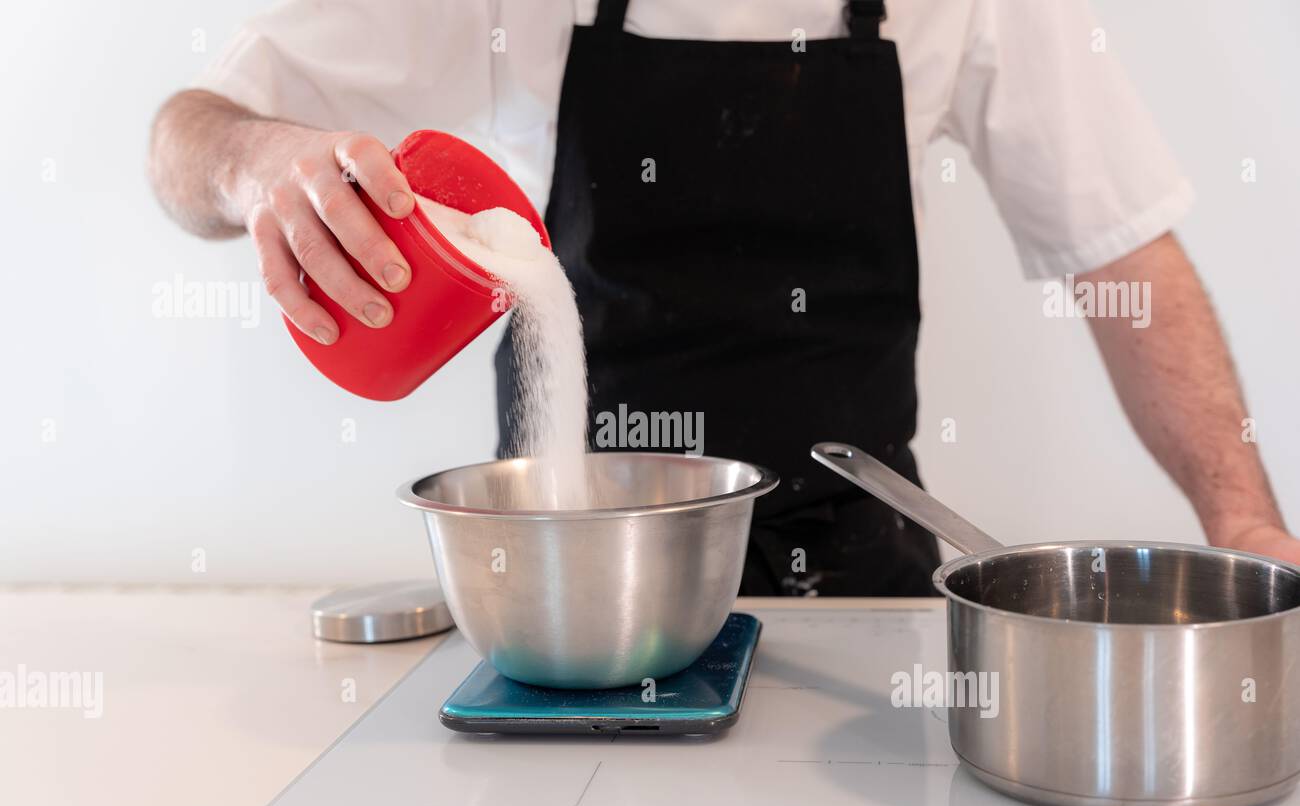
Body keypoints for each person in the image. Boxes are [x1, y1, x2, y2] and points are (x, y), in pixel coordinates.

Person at [148, 0, 1299, 596]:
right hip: (568, 600)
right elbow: (185, 132)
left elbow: (1121, 255)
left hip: (859, 598)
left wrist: (1245, 524)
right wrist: (258, 168)